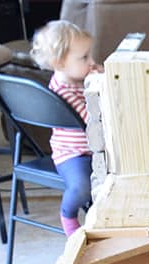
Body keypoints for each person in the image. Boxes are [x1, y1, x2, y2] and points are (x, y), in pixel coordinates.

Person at [29, 20, 101, 236]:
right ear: (59, 63)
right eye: (84, 58)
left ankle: (103, 219)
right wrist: (99, 86)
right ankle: (68, 215)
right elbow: (93, 119)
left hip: (95, 149)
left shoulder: (79, 78)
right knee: (82, 187)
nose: (92, 61)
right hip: (71, 154)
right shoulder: (63, 92)